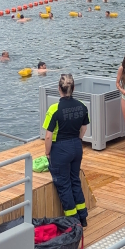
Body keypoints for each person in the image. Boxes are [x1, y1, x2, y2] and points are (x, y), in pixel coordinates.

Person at [42, 74, 90, 226]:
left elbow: (48, 136)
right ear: (73, 88)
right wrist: (79, 140)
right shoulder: (82, 105)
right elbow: (84, 127)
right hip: (76, 145)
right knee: (75, 179)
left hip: (61, 148)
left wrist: (47, 152)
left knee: (63, 184)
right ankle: (83, 217)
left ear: (59, 89)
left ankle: (73, 221)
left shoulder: (54, 109)